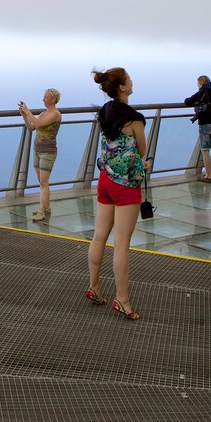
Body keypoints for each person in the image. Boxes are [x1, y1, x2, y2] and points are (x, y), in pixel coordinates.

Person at [86, 68, 148, 320]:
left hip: (104, 179)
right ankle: (122, 300)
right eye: (129, 79)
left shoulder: (104, 112)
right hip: (125, 185)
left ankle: (94, 287)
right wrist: (138, 161)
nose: (132, 81)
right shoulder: (134, 119)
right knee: (121, 244)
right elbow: (141, 150)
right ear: (122, 87)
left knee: (99, 236)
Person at [19, 89, 62, 221]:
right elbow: (31, 127)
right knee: (41, 181)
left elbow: (39, 124)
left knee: (44, 182)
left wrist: (28, 112)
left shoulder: (55, 114)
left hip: (48, 151)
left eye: (46, 97)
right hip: (37, 149)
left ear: (53, 99)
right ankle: (46, 206)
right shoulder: (43, 113)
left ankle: (41, 212)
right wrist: (24, 115)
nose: (43, 99)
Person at [184, 76, 211, 183]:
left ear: (200, 82)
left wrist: (187, 100)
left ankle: (209, 176)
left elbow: (189, 101)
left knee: (205, 150)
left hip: (205, 123)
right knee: (207, 150)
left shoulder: (204, 91)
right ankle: (208, 174)